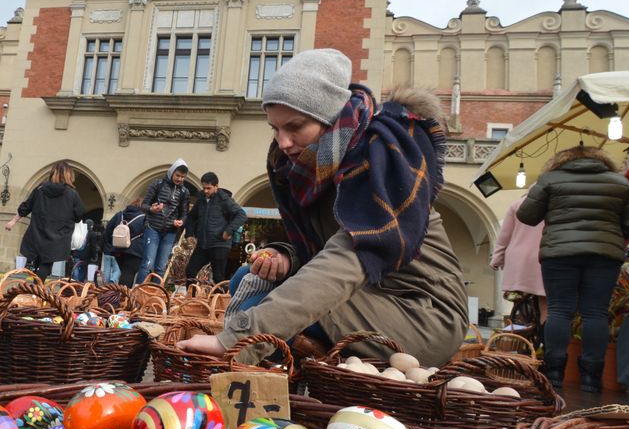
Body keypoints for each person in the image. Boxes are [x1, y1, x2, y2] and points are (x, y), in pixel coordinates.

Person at [176, 48, 469, 366]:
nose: (283, 142)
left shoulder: (381, 162)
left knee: (258, 305)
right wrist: (286, 256)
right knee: (246, 277)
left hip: (420, 312)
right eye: (275, 129)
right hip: (368, 292)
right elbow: (323, 251)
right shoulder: (314, 167)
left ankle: (268, 387)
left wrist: (233, 340)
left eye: (295, 127)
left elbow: (346, 261)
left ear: (329, 120)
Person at [517, 146, 629, 392]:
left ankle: (554, 373)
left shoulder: (550, 180)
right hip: (605, 255)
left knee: (558, 310)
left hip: (559, 254)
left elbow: (527, 215)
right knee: (595, 313)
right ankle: (591, 378)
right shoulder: (619, 183)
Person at [4, 160, 87, 279]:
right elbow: (79, 215)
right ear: (69, 175)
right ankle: (36, 290)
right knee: (46, 264)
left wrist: (13, 221)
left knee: (39, 261)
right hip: (58, 236)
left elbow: (26, 206)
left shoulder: (40, 189)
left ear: (53, 173)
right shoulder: (72, 194)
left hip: (38, 232)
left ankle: (35, 288)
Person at [491, 195, 547, 336]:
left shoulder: (518, 203)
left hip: (518, 261)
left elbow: (504, 236)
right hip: (543, 257)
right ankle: (544, 343)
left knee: (519, 300)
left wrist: (497, 258)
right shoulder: (557, 202)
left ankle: (522, 333)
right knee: (547, 305)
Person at [184, 171, 247, 284]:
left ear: (216, 186)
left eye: (208, 188)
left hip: (219, 245)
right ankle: (191, 299)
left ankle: (218, 300)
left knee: (218, 277)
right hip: (202, 245)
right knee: (190, 271)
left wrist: (228, 231)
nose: (206, 191)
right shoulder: (201, 200)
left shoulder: (225, 200)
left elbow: (241, 215)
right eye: (204, 188)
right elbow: (191, 217)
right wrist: (189, 234)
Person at [137, 159, 191, 282]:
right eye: (177, 175)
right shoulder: (157, 184)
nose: (180, 179)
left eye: (183, 177)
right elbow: (144, 205)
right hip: (152, 229)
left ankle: (156, 294)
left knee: (161, 267)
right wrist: (152, 209)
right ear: (171, 172)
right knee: (147, 264)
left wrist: (181, 222)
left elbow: (184, 213)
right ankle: (138, 290)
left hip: (170, 232)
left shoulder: (184, 192)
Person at [103, 195, 149, 286]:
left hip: (118, 249)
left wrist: (110, 244)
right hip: (135, 251)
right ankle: (123, 296)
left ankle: (120, 294)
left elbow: (108, 230)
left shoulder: (120, 214)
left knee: (124, 272)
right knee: (128, 273)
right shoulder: (144, 218)